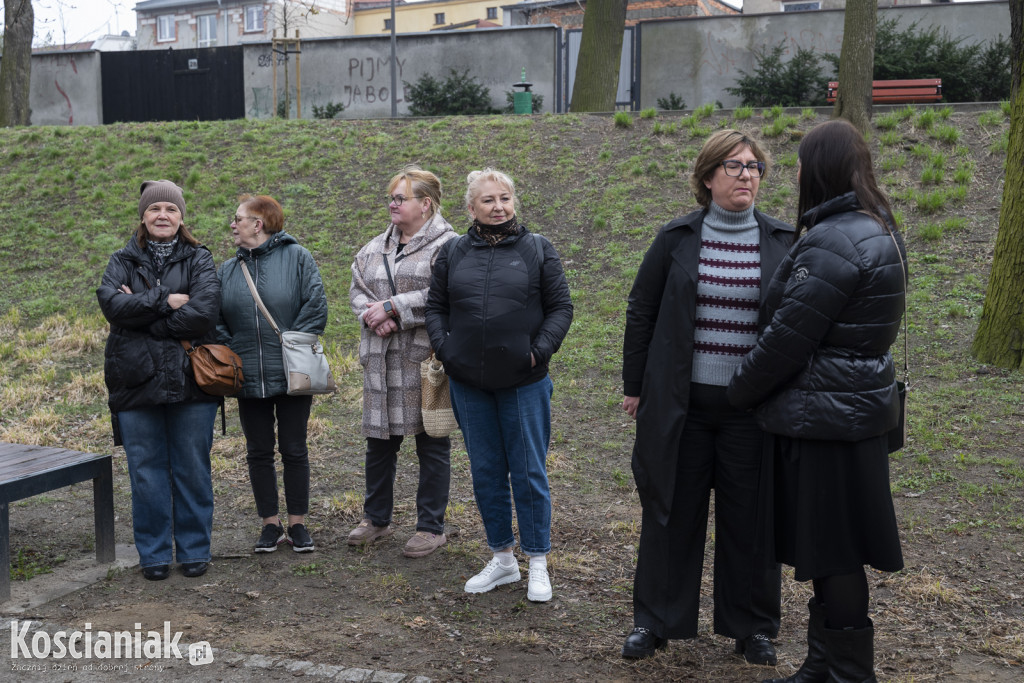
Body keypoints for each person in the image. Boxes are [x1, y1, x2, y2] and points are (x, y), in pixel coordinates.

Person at [728, 119, 906, 683]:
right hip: (850, 413)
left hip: (828, 419)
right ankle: (824, 663)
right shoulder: (875, 227)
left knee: (833, 552)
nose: (797, 173)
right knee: (833, 550)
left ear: (822, 167)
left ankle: (848, 673)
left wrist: (738, 393)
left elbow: (787, 338)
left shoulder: (834, 240)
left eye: (803, 162)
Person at [620, 130, 792, 661]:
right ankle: (656, 621)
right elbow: (641, 310)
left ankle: (752, 627)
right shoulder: (676, 239)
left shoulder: (784, 241)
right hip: (682, 406)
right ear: (708, 176)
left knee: (751, 519)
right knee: (670, 512)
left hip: (752, 411)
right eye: (735, 166)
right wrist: (634, 386)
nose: (747, 176)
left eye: (755, 167)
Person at [425, 168, 573, 603]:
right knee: (487, 472)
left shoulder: (537, 249)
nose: (498, 207)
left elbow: (561, 308)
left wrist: (536, 352)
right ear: (470, 208)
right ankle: (503, 559)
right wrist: (446, 349)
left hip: (525, 382)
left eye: (504, 198)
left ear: (514, 202)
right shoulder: (452, 252)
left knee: (529, 471)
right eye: (487, 200)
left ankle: (538, 561)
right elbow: (436, 308)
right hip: (469, 384)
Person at [97, 180, 221, 581]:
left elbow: (203, 313)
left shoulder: (200, 258)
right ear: (143, 216)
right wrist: (165, 300)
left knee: (192, 470)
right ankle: (152, 554)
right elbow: (112, 305)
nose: (162, 216)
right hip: (135, 380)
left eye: (170, 209)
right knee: (145, 473)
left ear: (181, 216)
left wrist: (143, 314)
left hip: (191, 381)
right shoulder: (122, 258)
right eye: (154, 209)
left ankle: (194, 550)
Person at [347, 166, 457, 558]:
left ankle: (431, 527)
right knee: (379, 444)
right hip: (380, 359)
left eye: (401, 198)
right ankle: (376, 519)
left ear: (425, 204)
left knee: (431, 443)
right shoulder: (374, 247)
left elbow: (447, 294)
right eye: (391, 198)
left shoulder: (450, 246)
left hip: (424, 361)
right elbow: (357, 287)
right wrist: (370, 315)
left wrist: (395, 307)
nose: (392, 204)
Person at [217, 195, 328, 554]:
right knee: (258, 451)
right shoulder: (227, 270)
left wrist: (291, 346)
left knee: (295, 449)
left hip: (293, 373)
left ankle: (297, 523)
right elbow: (214, 319)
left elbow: (316, 306)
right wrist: (233, 352)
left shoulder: (298, 258)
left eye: (238, 219)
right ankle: (270, 525)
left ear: (258, 224)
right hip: (247, 376)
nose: (233, 225)